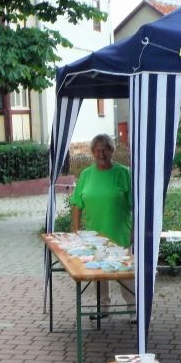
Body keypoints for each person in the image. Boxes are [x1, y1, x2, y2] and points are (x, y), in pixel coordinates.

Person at [70, 134, 136, 323]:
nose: (102, 153)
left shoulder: (124, 173)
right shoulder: (86, 175)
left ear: (112, 151)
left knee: (125, 275)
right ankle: (102, 307)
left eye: (105, 149)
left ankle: (134, 309)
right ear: (92, 153)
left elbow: (136, 206)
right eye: (98, 150)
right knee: (98, 274)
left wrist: (134, 231)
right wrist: (76, 231)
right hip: (94, 235)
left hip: (120, 233)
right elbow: (77, 204)